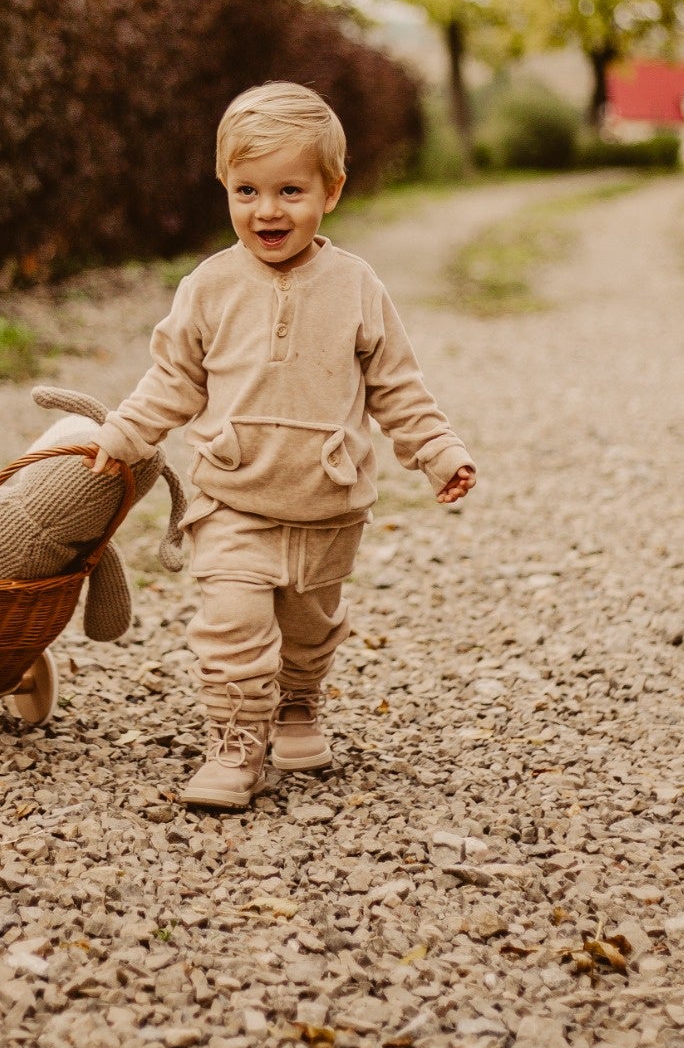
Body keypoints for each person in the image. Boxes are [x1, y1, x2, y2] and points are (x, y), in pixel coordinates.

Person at [91, 80, 475, 809]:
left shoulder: (357, 286)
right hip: (233, 497)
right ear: (225, 189)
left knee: (308, 628)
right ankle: (235, 743)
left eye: (290, 190)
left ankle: (298, 702)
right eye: (246, 191)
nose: (266, 211)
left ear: (331, 190)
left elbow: (396, 386)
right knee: (231, 624)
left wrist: (438, 452)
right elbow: (173, 377)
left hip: (326, 504)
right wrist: (124, 432)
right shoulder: (209, 287)